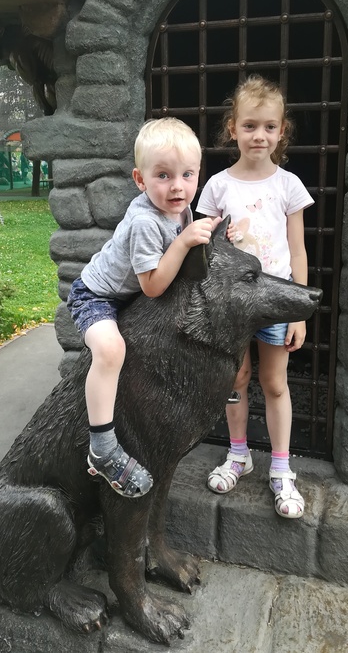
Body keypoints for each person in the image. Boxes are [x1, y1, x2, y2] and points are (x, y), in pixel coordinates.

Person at [67, 118, 218, 498]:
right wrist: (184, 242)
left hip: (128, 295)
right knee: (111, 350)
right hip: (96, 296)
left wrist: (210, 234)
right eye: (163, 176)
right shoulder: (145, 222)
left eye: (187, 174)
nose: (177, 186)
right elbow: (153, 286)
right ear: (140, 179)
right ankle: (102, 448)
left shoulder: (179, 208)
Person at [197, 75, 314, 518]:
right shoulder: (217, 186)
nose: (259, 135)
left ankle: (281, 469)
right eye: (249, 125)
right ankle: (238, 454)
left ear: (282, 131)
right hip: (231, 304)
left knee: (274, 382)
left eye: (269, 126)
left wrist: (299, 312)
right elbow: (204, 248)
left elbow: (298, 250)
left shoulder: (288, 185)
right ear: (233, 128)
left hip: (275, 302)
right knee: (236, 378)